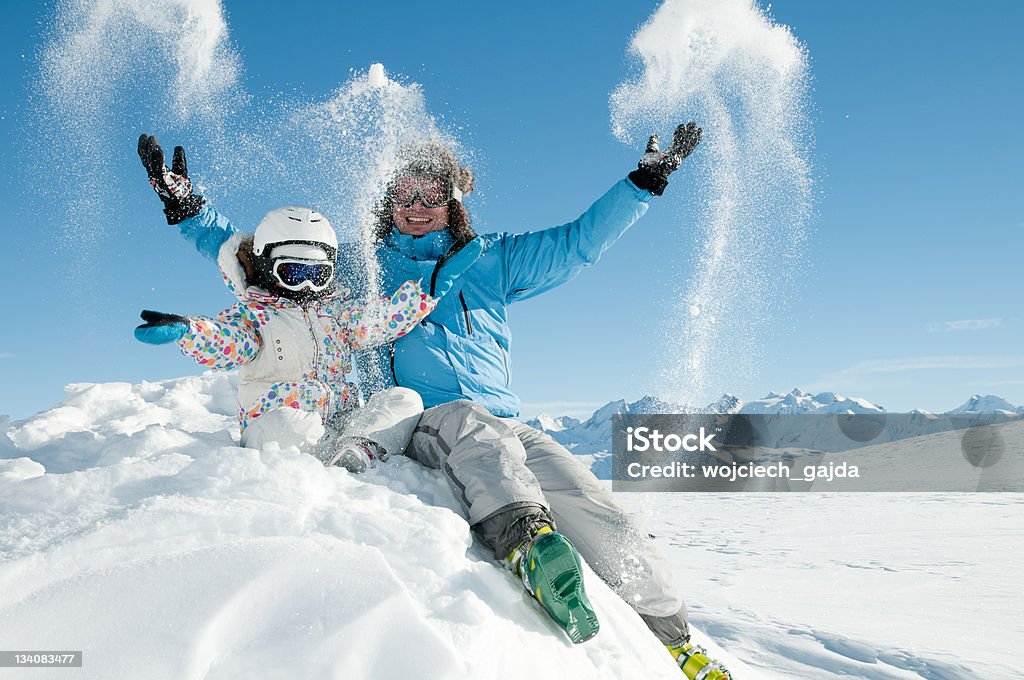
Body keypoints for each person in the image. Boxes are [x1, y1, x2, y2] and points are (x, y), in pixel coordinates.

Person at [138, 127, 732, 676]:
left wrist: (643, 184)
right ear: (386, 199)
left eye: (432, 192)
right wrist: (190, 210)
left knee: (610, 519)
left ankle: (676, 641)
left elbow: (578, 243)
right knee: (472, 426)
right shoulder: (362, 265)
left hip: (506, 427)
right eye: (404, 191)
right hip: (418, 421)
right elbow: (265, 255)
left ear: (453, 199)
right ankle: (525, 543)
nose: (417, 204)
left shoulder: (491, 258)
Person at [131, 182, 481, 469]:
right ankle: (318, 463)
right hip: (277, 426)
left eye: (318, 275)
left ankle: (358, 452)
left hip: (339, 423)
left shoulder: (336, 313)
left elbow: (381, 321)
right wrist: (189, 332)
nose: (307, 287)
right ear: (267, 266)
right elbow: (226, 341)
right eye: (294, 274)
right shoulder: (256, 316)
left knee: (403, 399)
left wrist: (429, 290)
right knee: (286, 427)